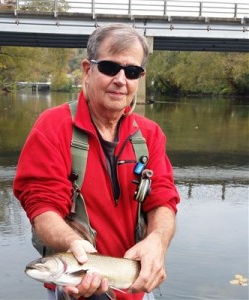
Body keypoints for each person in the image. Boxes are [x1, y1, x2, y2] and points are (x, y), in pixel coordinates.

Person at [13, 23, 180, 300]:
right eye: (109, 67)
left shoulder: (150, 134)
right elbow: (41, 206)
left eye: (132, 71)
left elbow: (163, 200)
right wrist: (73, 244)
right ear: (87, 70)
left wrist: (157, 242)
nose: (120, 79)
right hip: (78, 285)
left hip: (136, 286)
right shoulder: (52, 127)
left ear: (140, 77)